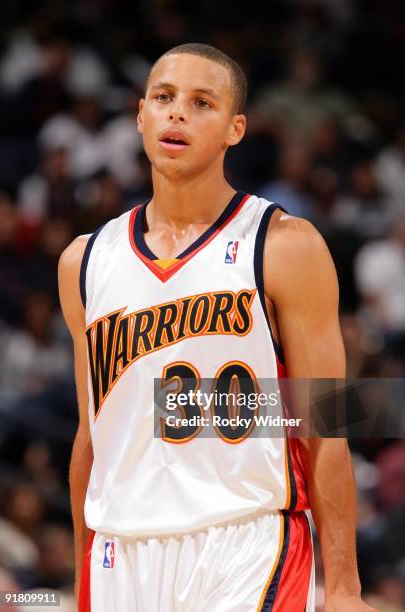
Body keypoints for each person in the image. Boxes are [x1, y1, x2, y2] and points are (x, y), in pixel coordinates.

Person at [58, 43, 375, 612]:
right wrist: (83, 580)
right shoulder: (84, 261)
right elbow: (91, 437)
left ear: (235, 129)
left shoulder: (285, 245)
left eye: (201, 103)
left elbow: (328, 423)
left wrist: (346, 589)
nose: (177, 112)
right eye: (164, 97)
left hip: (247, 540)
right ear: (140, 115)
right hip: (119, 552)